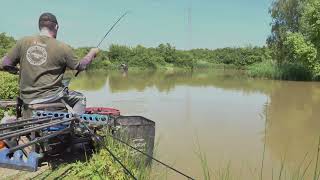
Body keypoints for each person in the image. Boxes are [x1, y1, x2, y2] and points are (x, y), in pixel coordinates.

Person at [0, 12, 99, 116]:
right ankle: (77, 126)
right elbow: (81, 66)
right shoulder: (63, 47)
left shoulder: (23, 42)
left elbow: (4, 64)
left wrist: (16, 70)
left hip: (27, 98)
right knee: (80, 98)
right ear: (56, 27)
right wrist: (92, 52)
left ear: (39, 26)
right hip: (51, 97)